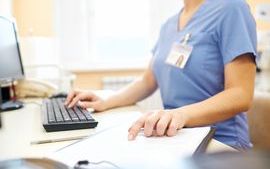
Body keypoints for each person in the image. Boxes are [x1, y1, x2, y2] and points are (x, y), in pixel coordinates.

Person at [65, 0, 257, 150]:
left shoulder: (232, 8)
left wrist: (180, 114)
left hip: (220, 142)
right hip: (175, 137)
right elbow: (148, 80)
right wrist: (106, 100)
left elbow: (241, 94)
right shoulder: (169, 24)